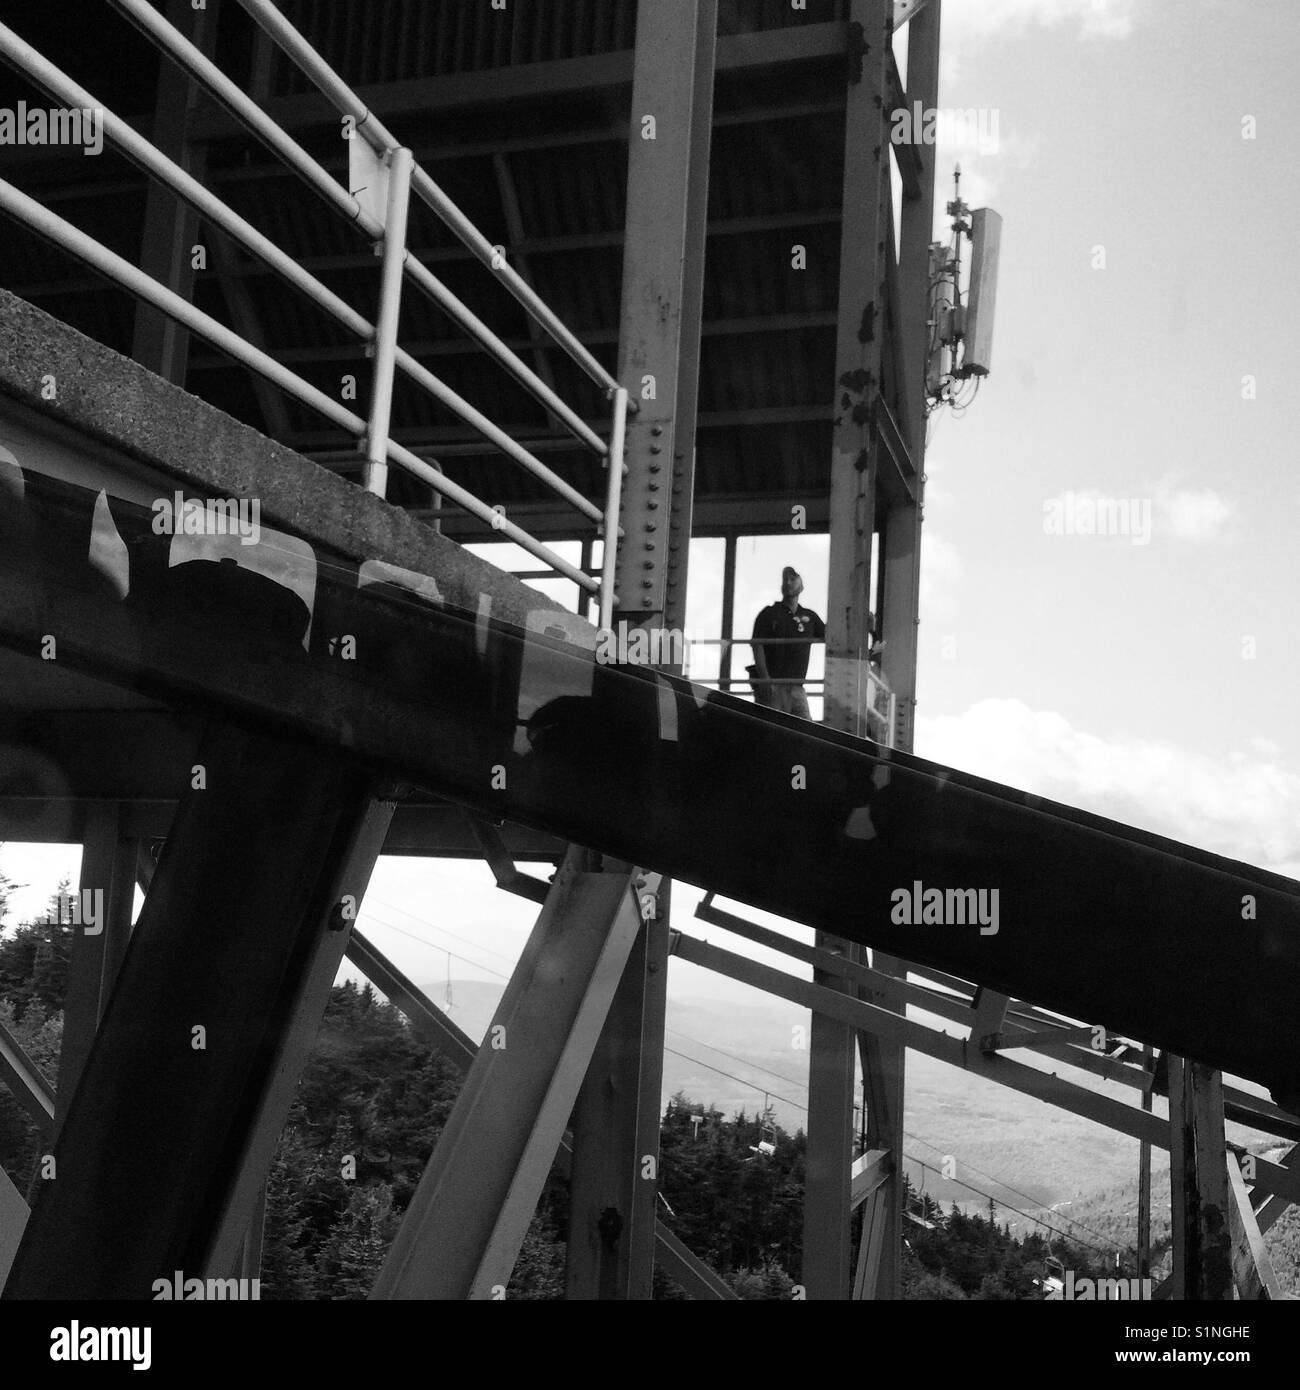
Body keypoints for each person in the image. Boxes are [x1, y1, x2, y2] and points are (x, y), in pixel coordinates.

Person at [748, 567, 825, 720]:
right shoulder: (770, 613)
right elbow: (757, 645)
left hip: (797, 687)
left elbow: (833, 636)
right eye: (785, 579)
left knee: (804, 733)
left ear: (801, 585)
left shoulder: (810, 616)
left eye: (792, 578)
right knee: (775, 732)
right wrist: (765, 680)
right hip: (774, 686)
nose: (788, 582)